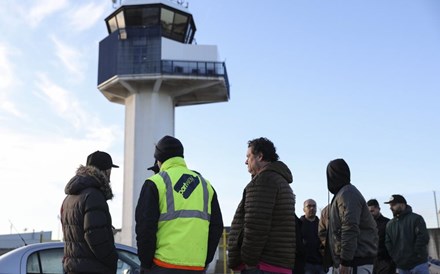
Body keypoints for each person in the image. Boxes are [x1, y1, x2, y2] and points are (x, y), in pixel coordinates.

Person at [135, 135, 223, 273]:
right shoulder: (205, 185)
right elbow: (216, 227)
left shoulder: (155, 183)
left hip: (163, 265)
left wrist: (146, 264)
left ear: (159, 160)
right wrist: (204, 261)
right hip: (196, 267)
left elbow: (145, 228)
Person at [228, 137, 296, 274]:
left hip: (262, 264)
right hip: (278, 263)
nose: (246, 161)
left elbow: (256, 225)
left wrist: (248, 261)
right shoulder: (280, 180)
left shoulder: (264, 181)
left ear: (260, 156)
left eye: (248, 156)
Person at [61, 150, 119, 274]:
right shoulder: (94, 196)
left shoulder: (69, 198)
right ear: (106, 171)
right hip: (94, 268)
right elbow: (94, 236)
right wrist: (112, 259)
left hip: (72, 268)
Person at [325, 158, 378, 274]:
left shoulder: (347, 194)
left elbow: (350, 228)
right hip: (350, 262)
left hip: (354, 263)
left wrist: (345, 261)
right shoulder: (343, 194)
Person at [384, 194, 430, 274]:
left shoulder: (416, 219)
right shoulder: (390, 224)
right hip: (402, 266)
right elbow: (388, 243)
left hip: (418, 264)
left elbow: (423, 237)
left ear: (402, 205)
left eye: (394, 205)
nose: (391, 207)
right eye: (390, 205)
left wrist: (417, 254)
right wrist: (396, 257)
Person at [367, 199, 396, 274]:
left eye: (372, 211)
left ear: (378, 209)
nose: (370, 214)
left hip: (385, 260)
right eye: (368, 212)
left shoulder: (388, 223)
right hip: (371, 260)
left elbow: (394, 242)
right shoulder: (365, 225)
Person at [300, 199, 325, 274]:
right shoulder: (299, 224)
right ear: (304, 209)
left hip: (320, 264)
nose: (312, 208)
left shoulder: (322, 225)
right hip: (305, 264)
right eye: (309, 206)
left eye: (314, 206)